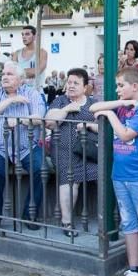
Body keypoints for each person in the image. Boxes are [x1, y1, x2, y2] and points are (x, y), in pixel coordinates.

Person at [92, 67, 138, 276]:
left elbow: (125, 135)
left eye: (121, 85)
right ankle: (134, 269)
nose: (117, 89)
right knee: (129, 223)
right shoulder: (124, 106)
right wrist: (119, 105)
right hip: (120, 174)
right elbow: (94, 108)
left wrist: (111, 114)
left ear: (135, 86)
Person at [0, 63, 46, 231]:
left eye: (9, 74)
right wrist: (10, 100)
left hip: (27, 147)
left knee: (40, 169)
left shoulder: (32, 94)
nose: (4, 77)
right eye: (3, 73)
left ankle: (29, 214)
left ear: (21, 79)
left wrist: (19, 121)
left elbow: (39, 117)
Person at [45, 68, 98, 236]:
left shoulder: (92, 104)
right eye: (69, 82)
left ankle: (107, 218)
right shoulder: (60, 101)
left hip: (88, 152)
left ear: (85, 87)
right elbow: (50, 123)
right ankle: (67, 223)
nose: (71, 86)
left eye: (76, 83)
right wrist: (67, 109)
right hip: (64, 151)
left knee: (104, 174)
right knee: (70, 179)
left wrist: (89, 126)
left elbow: (103, 126)